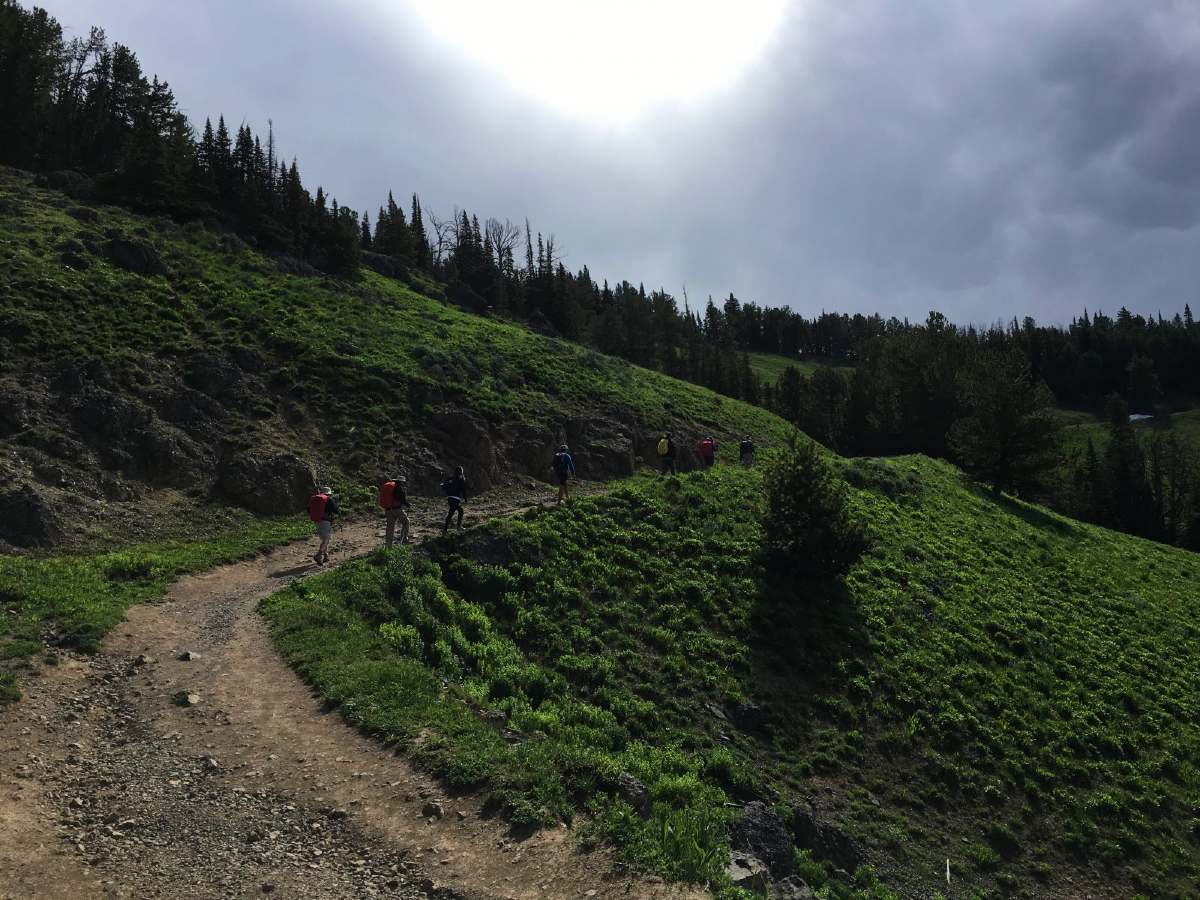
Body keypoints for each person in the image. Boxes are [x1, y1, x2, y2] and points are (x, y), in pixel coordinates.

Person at [307, 485, 339, 565]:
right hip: (326, 521)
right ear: (328, 493)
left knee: (324, 539)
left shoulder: (316, 499)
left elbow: (308, 509)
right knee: (327, 539)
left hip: (317, 521)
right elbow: (336, 510)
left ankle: (326, 556)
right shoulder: (329, 499)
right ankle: (319, 554)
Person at [379, 475, 410, 547]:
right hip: (397, 509)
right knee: (406, 522)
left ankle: (388, 546)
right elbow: (401, 498)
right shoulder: (398, 487)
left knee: (390, 528)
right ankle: (404, 539)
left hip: (388, 510)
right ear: (401, 482)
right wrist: (407, 504)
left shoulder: (389, 486)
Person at [440, 466, 467, 534]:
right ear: (460, 472)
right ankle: (455, 528)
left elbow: (443, 487)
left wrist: (443, 482)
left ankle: (447, 529)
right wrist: (465, 498)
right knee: (456, 512)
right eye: (462, 471)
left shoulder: (450, 478)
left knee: (455, 511)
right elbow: (463, 489)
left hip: (449, 498)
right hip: (456, 498)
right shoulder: (460, 479)